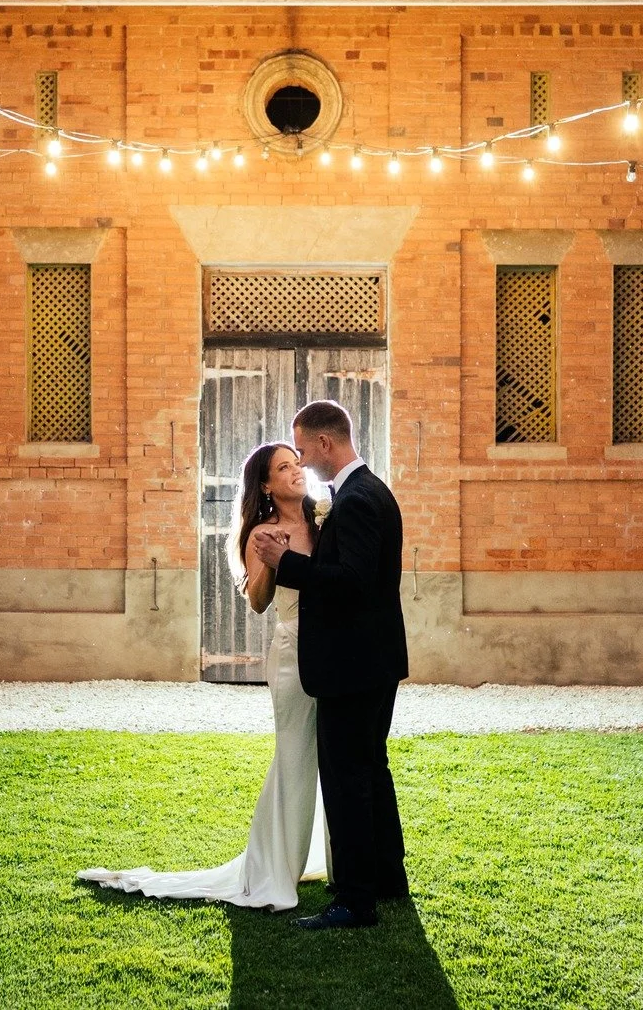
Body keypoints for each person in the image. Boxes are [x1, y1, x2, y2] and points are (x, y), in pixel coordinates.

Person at [77, 442, 331, 910]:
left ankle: (328, 857)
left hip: (332, 650)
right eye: (283, 467)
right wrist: (275, 562)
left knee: (330, 754)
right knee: (294, 753)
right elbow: (256, 601)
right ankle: (274, 868)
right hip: (294, 652)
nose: (296, 471)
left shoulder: (323, 518)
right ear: (266, 485)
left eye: (297, 464)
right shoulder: (262, 533)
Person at [252, 399, 409, 930]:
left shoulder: (359, 499)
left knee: (346, 777)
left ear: (324, 443)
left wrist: (287, 564)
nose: (301, 459)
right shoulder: (366, 491)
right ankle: (387, 878)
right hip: (371, 660)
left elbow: (354, 582)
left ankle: (354, 900)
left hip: (353, 664)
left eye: (302, 447)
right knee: (371, 770)